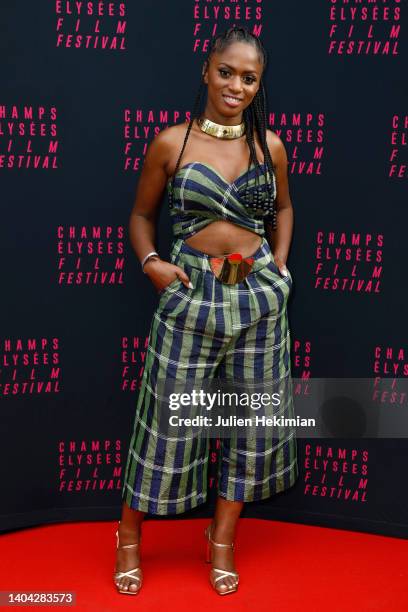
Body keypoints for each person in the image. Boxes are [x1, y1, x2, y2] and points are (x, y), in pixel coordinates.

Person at [114, 25, 299, 596]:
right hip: (190, 293)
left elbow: (285, 209)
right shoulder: (172, 142)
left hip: (257, 298)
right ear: (206, 72)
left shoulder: (271, 146)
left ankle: (221, 541)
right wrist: (152, 264)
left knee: (251, 424)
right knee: (167, 424)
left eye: (249, 78)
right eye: (226, 72)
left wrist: (281, 267)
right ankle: (127, 538)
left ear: (259, 85)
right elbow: (141, 217)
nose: (236, 86)